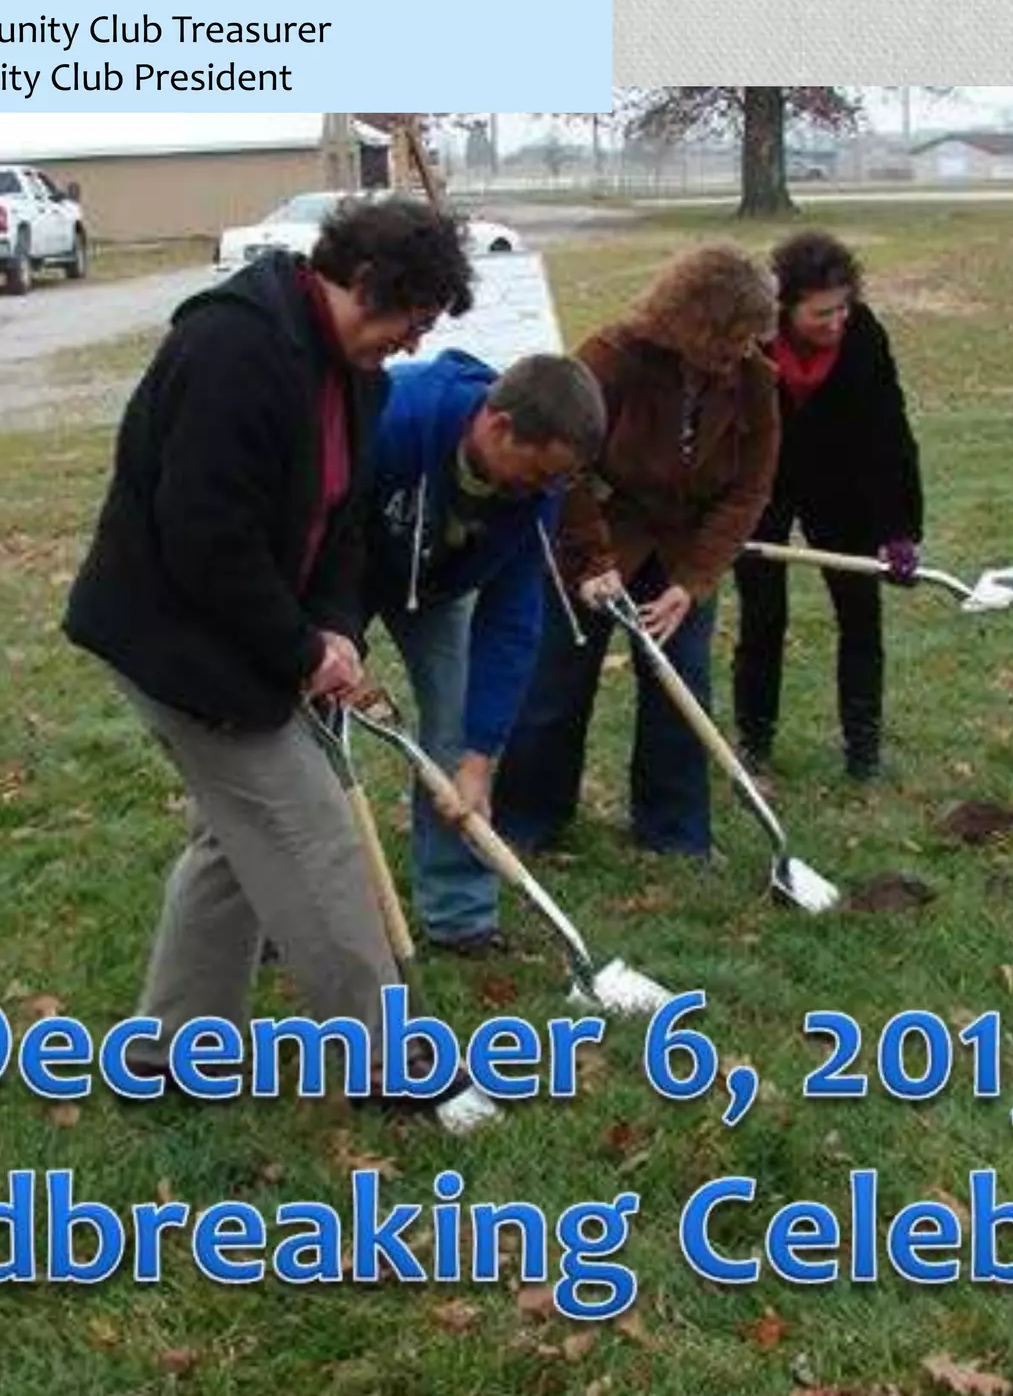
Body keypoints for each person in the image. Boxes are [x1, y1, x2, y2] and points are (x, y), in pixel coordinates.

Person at [61, 194, 475, 1101]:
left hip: (248, 631)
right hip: (174, 638)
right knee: (309, 830)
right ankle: (389, 1065)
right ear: (365, 284)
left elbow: (345, 527)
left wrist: (334, 626)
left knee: (237, 843)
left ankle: (166, 1051)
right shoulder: (234, 348)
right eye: (413, 317)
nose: (413, 342)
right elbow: (206, 539)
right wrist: (298, 651)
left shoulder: (355, 377)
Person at [493, 245, 779, 858]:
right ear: (693, 321)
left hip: (681, 552)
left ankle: (674, 833)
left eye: (752, 338)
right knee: (555, 687)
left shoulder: (754, 380)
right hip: (592, 536)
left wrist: (692, 582)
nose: (742, 352)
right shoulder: (612, 359)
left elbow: (750, 487)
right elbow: (562, 468)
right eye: (733, 337)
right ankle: (525, 823)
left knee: (682, 685)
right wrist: (595, 562)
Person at [364, 349, 607, 956]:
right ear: (499, 427)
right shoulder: (392, 420)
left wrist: (479, 759)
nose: (546, 490)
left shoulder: (538, 490)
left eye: (559, 479)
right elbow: (312, 536)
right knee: (284, 743)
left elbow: (512, 617)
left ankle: (460, 917)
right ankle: (255, 903)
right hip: (340, 562)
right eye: (540, 473)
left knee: (456, 725)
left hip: (440, 584)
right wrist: (330, 644)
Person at [731, 230, 924, 782]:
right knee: (762, 617)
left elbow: (890, 433)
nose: (836, 322)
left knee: (860, 615)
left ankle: (863, 752)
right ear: (785, 307)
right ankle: (754, 744)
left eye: (842, 308)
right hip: (763, 485)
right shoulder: (753, 343)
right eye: (821, 313)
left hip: (843, 486)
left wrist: (899, 528)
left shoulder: (864, 337)